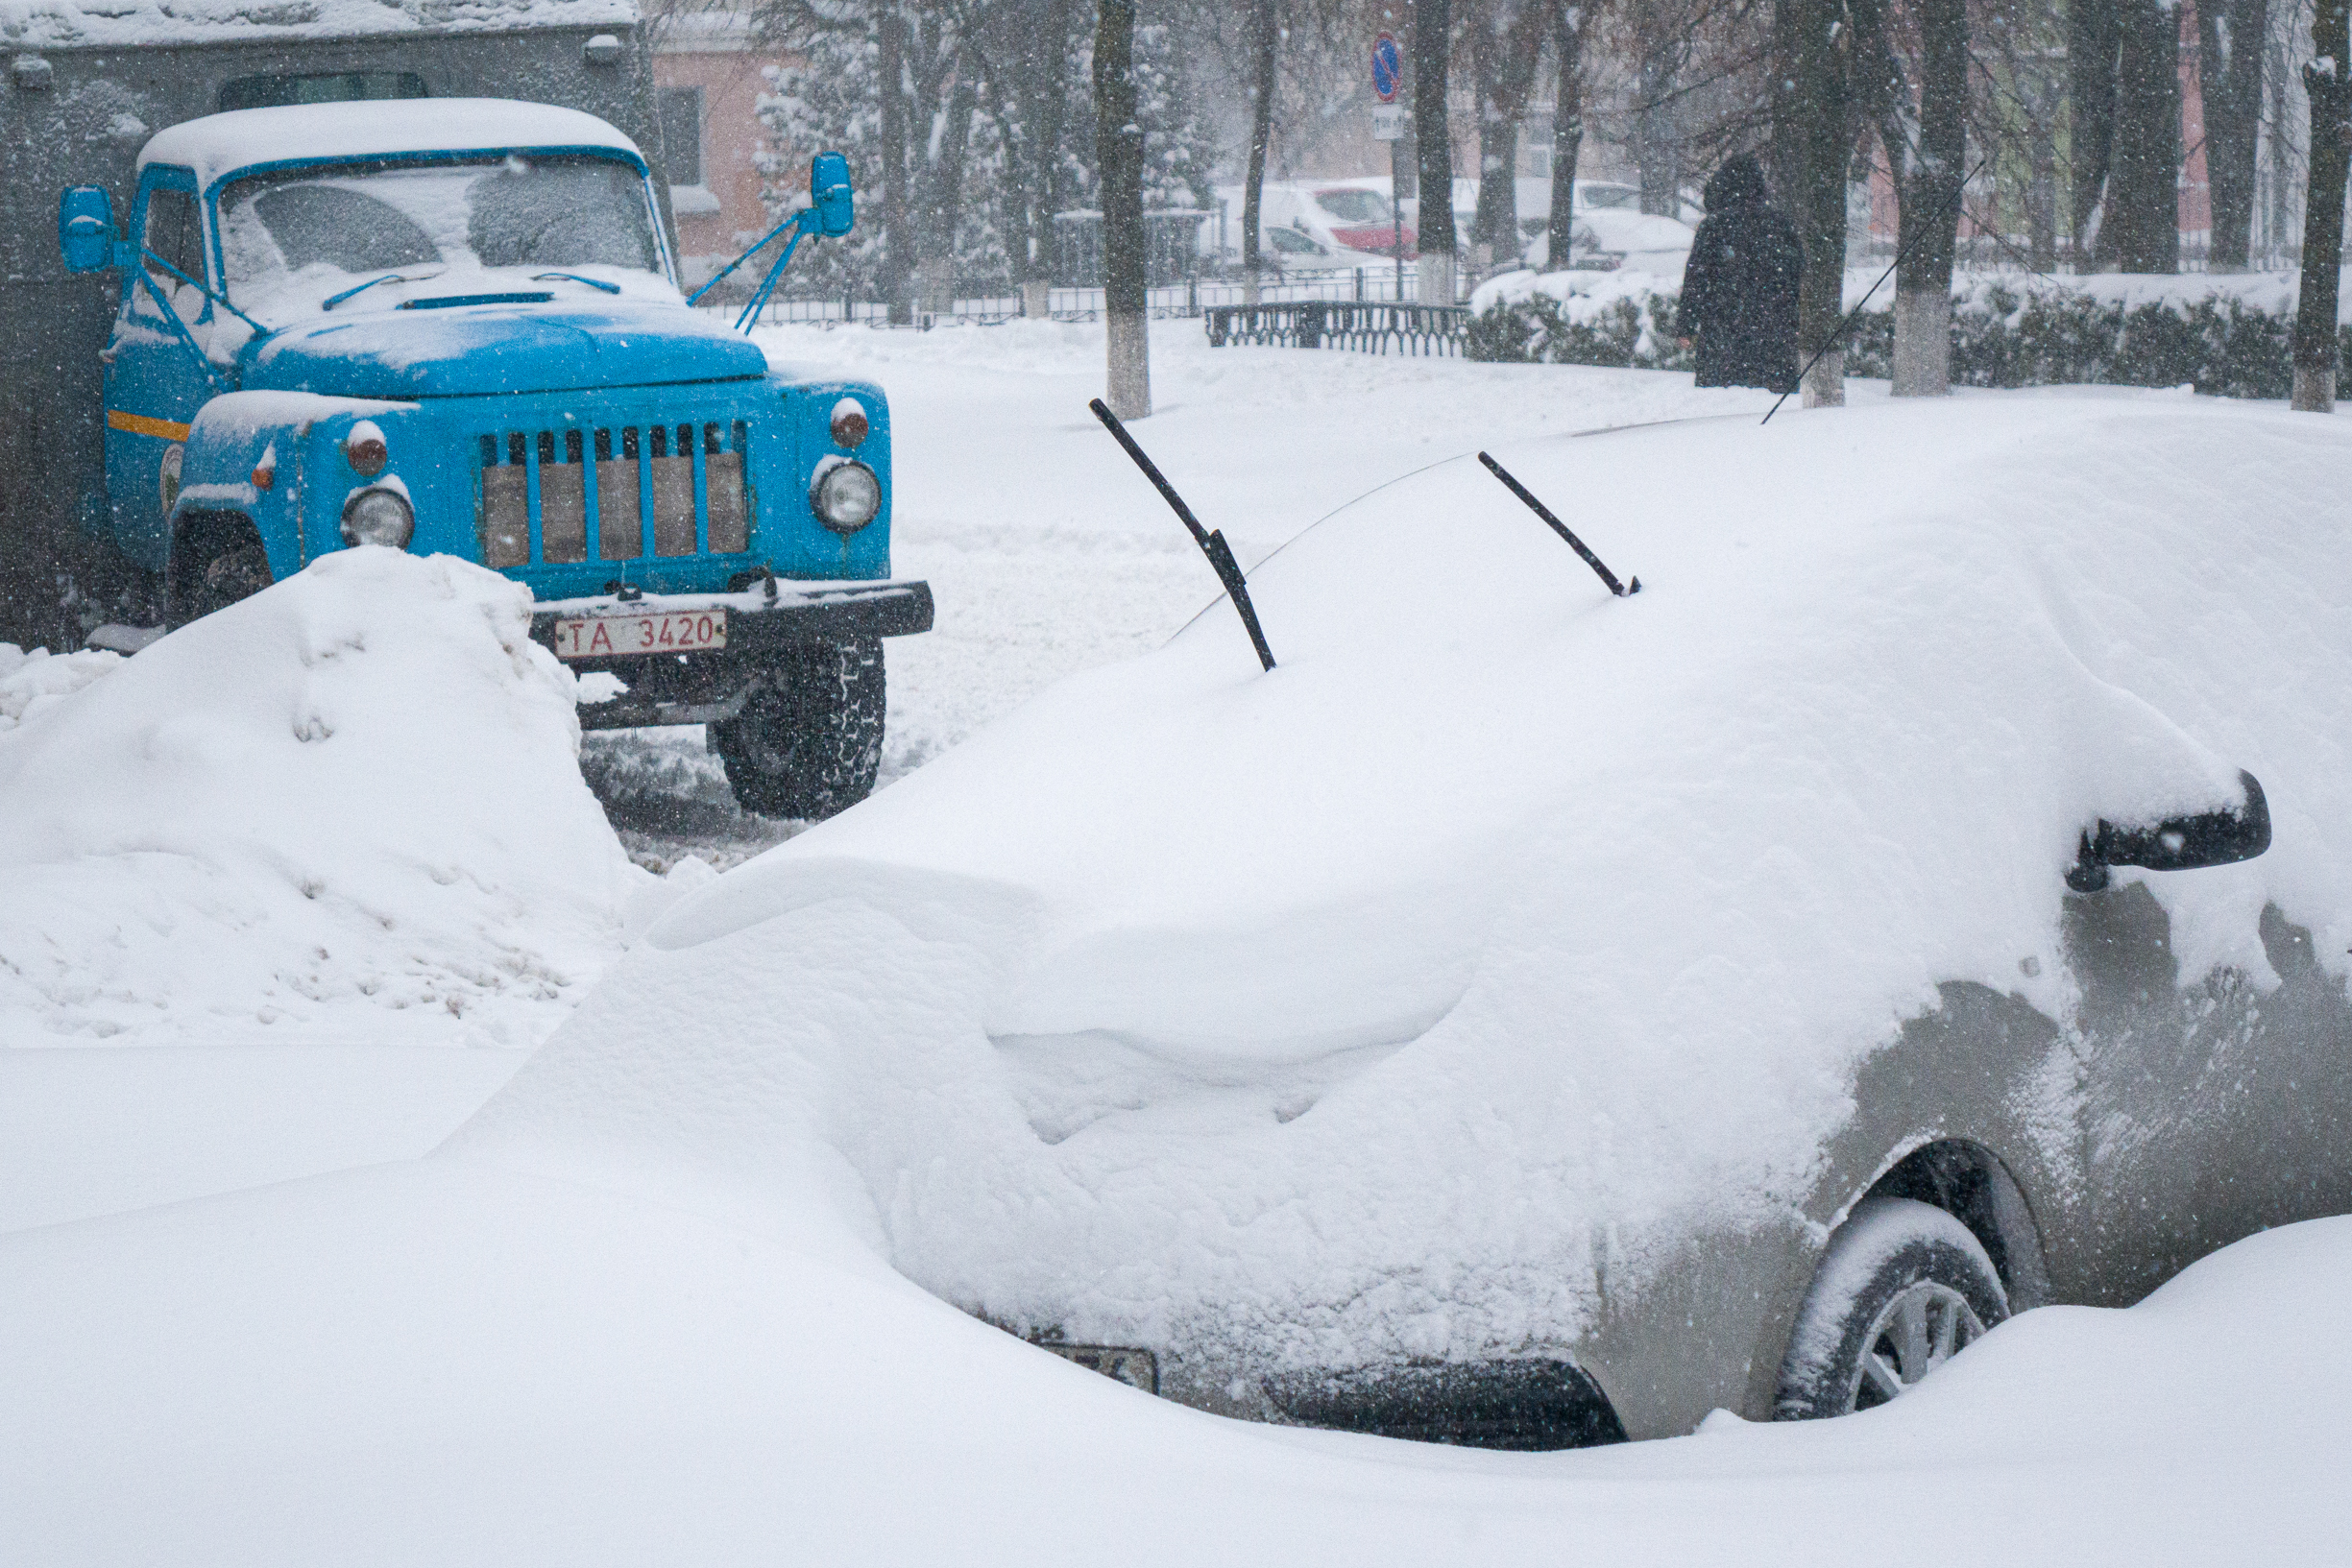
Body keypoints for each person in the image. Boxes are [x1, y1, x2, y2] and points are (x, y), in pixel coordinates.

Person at [1674, 154, 1802, 394]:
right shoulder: (1780, 224)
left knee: (1723, 412)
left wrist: (1686, 327)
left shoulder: (1714, 227)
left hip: (1723, 339)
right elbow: (1797, 278)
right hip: (1773, 341)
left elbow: (1696, 281)